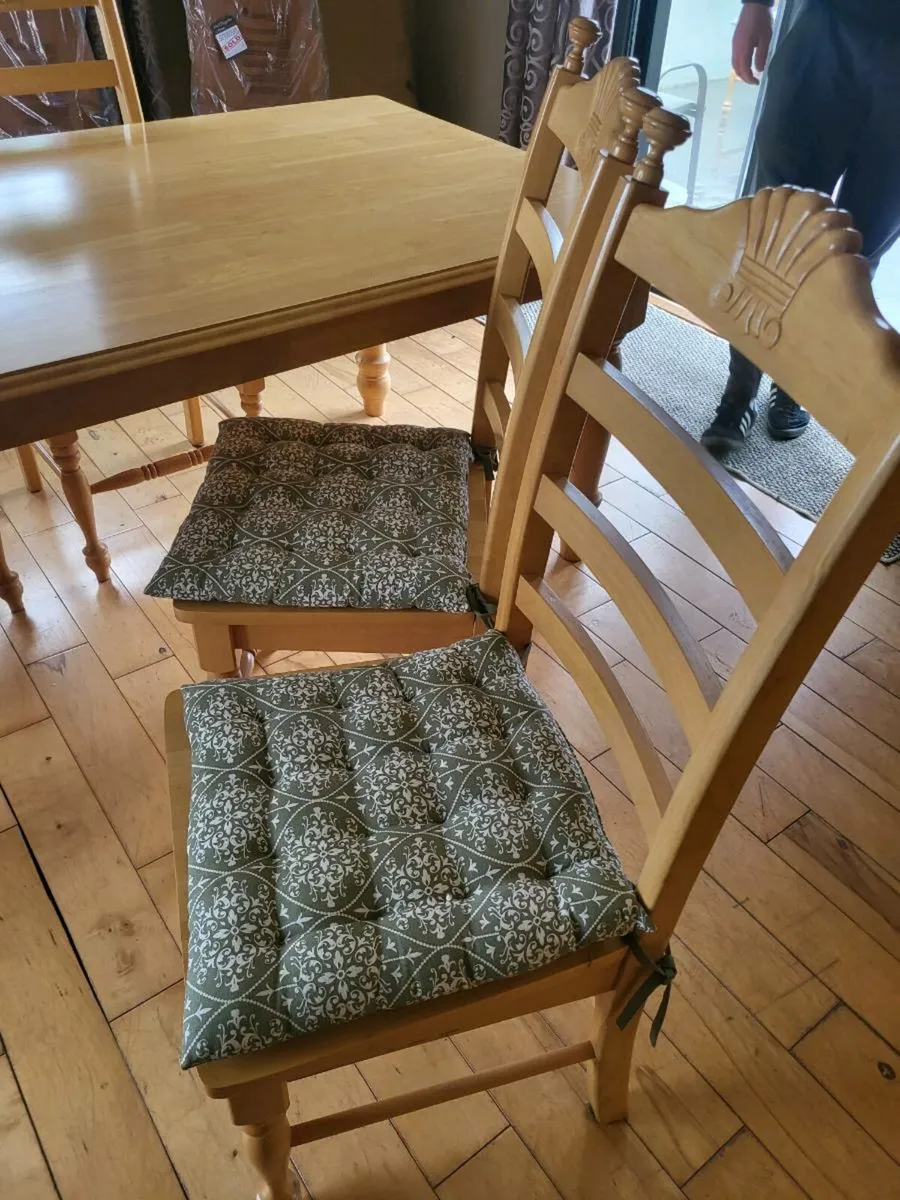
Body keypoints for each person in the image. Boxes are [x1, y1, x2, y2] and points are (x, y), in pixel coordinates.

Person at [700, 0, 900, 454]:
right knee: (772, 223)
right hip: (825, 25)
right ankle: (739, 393)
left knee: (857, 254)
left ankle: (796, 383)